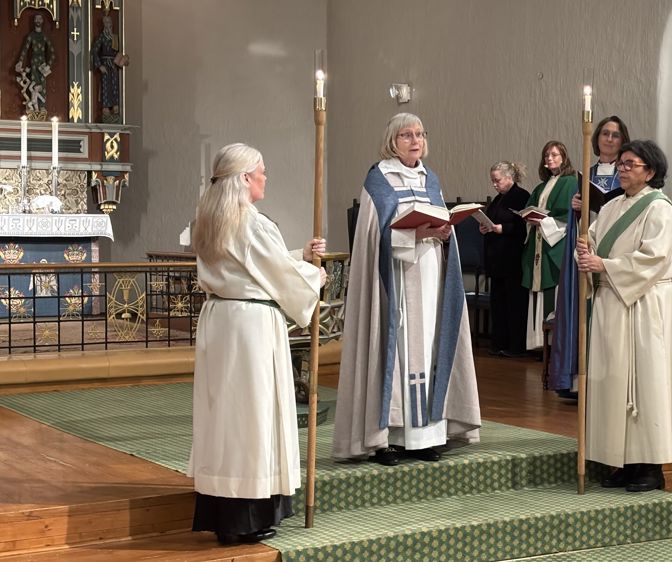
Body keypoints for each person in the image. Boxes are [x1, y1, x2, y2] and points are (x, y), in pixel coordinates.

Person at [188, 143, 327, 543]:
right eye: (262, 171)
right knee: (252, 416)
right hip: (250, 327)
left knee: (226, 416)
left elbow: (250, 264)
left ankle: (225, 512)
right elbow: (276, 272)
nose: (266, 177)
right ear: (246, 177)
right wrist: (314, 277)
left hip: (220, 320)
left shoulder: (210, 218)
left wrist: (299, 255)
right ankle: (246, 517)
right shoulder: (251, 221)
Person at [334, 113, 481, 467]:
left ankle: (427, 437)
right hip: (395, 281)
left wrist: (444, 233)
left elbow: (440, 221)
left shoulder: (431, 179)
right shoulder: (380, 180)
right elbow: (374, 237)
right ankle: (389, 438)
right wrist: (416, 234)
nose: (415, 140)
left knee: (430, 348)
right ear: (392, 141)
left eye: (419, 134)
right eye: (406, 135)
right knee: (398, 353)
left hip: (430, 275)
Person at [576, 140, 672, 492]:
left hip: (644, 305)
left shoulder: (661, 211)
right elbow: (593, 241)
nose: (621, 169)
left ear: (649, 171)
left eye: (630, 164)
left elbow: (654, 259)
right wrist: (584, 250)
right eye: (620, 163)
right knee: (614, 382)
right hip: (612, 302)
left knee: (644, 382)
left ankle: (650, 466)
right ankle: (622, 460)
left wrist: (604, 265)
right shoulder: (611, 207)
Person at [552, 116, 632, 397]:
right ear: (596, 138)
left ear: (623, 141)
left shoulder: (627, 174)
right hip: (588, 247)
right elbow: (576, 219)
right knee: (582, 309)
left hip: (615, 247)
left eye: (615, 135)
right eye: (605, 134)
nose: (609, 139)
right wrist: (575, 206)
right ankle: (578, 380)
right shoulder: (587, 173)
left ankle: (608, 381)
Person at [521, 141, 576, 351]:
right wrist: (529, 218)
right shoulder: (541, 187)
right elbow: (529, 210)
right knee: (537, 291)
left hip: (554, 246)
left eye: (554, 154)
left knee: (552, 290)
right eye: (546, 155)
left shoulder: (570, 182)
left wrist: (543, 222)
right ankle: (537, 342)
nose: (550, 158)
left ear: (564, 157)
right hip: (538, 244)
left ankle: (553, 344)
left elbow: (567, 217)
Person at [480, 161, 531, 357]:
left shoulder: (521, 196)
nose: (494, 184)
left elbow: (524, 226)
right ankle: (499, 343)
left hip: (512, 258)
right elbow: (492, 220)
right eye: (492, 181)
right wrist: (484, 227)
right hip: (497, 259)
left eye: (497, 180)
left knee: (514, 304)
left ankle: (515, 346)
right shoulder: (497, 199)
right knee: (499, 303)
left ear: (509, 177)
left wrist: (503, 228)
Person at [91, 14, 129, 123]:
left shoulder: (115, 38)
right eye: (106, 23)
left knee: (114, 84)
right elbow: (94, 51)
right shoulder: (102, 37)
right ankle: (106, 107)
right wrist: (99, 65)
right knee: (106, 85)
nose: (108, 25)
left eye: (110, 22)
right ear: (104, 24)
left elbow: (118, 51)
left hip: (114, 64)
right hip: (105, 64)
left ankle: (115, 106)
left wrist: (123, 60)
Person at [15, 14, 55, 114]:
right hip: (34, 64)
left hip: (42, 65)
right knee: (33, 85)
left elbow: (52, 53)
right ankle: (34, 107)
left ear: (42, 21)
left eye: (40, 19)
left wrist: (48, 65)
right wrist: (20, 61)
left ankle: (42, 107)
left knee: (42, 85)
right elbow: (25, 50)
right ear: (34, 21)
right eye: (36, 19)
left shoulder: (44, 37)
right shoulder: (31, 36)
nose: (38, 20)